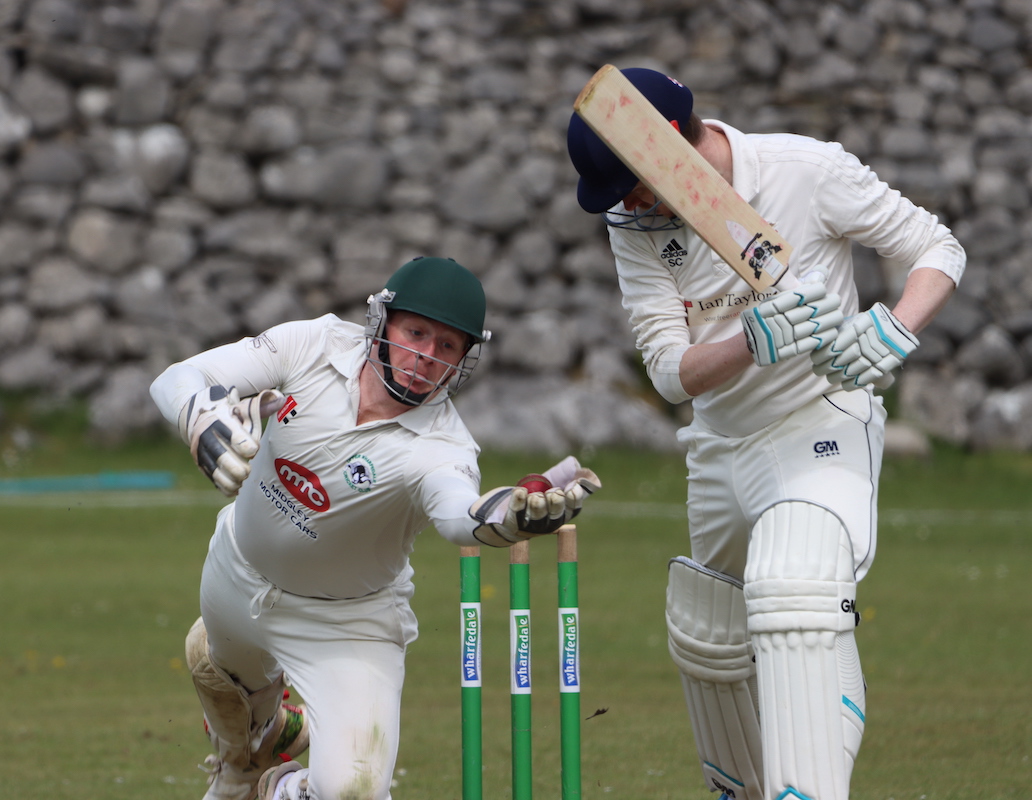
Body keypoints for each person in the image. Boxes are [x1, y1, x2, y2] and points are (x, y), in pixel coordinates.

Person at [566, 68, 965, 800]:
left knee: (796, 593)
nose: (627, 208)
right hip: (719, 448)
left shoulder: (805, 170)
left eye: (634, 187)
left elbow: (937, 248)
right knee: (709, 640)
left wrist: (896, 327)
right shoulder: (636, 226)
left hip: (821, 420)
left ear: (676, 149)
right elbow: (667, 371)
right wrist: (751, 341)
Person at [149, 256, 601, 800]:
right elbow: (178, 378)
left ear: (464, 359)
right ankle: (253, 756)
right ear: (382, 321)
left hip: (345, 622)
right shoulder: (314, 344)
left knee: (353, 792)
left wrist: (508, 517)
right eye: (416, 333)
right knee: (211, 666)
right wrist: (200, 418)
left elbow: (463, 515)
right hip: (236, 573)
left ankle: (279, 789)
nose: (424, 358)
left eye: (447, 347)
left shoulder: (444, 447)